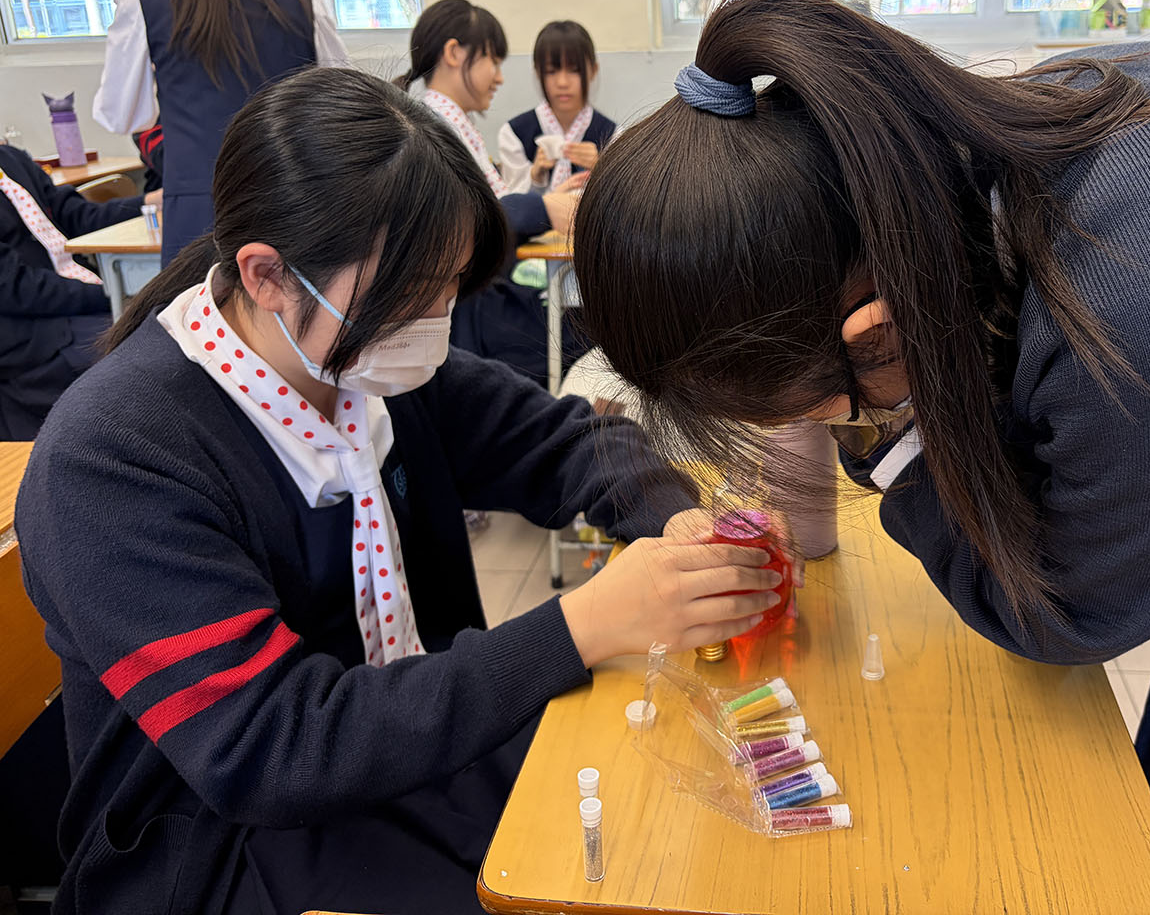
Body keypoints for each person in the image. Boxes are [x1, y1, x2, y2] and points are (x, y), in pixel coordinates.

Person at [571, 0, 1150, 915]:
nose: (839, 432)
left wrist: (892, 435)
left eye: (826, 412)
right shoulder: (983, 164)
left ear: (876, 333)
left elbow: (1064, 611)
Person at [17, 67, 784, 914]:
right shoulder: (113, 460)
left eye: (446, 289)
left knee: (653, 812)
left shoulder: (367, 366)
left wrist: (678, 524)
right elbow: (273, 748)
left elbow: (569, 441)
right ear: (267, 276)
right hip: (216, 841)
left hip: (398, 745)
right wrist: (587, 622)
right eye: (411, 296)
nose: (433, 323)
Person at [93, 0, 347, 265]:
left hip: (199, 213)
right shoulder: (302, 0)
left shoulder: (143, 1)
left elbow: (122, 116)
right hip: (296, 205)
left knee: (203, 310)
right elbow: (342, 108)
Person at [399, 0, 587, 383]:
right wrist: (543, 208)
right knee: (590, 330)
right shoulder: (432, 131)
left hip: (482, 296)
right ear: (454, 53)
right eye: (493, 61)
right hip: (472, 311)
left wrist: (544, 202)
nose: (499, 77)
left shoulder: (449, 124)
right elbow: (469, 220)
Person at [0, 144, 151, 438]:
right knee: (146, 348)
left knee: (170, 322)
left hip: (72, 301)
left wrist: (148, 202)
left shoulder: (10, 160)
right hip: (32, 334)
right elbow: (17, 288)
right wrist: (110, 295)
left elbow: (75, 215)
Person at [496, 19, 618, 197]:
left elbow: (626, 202)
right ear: (538, 73)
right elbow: (509, 205)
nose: (562, 82)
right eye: (551, 71)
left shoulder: (613, 136)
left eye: (574, 70)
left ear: (593, 70)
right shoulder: (513, 134)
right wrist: (534, 177)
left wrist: (603, 169)